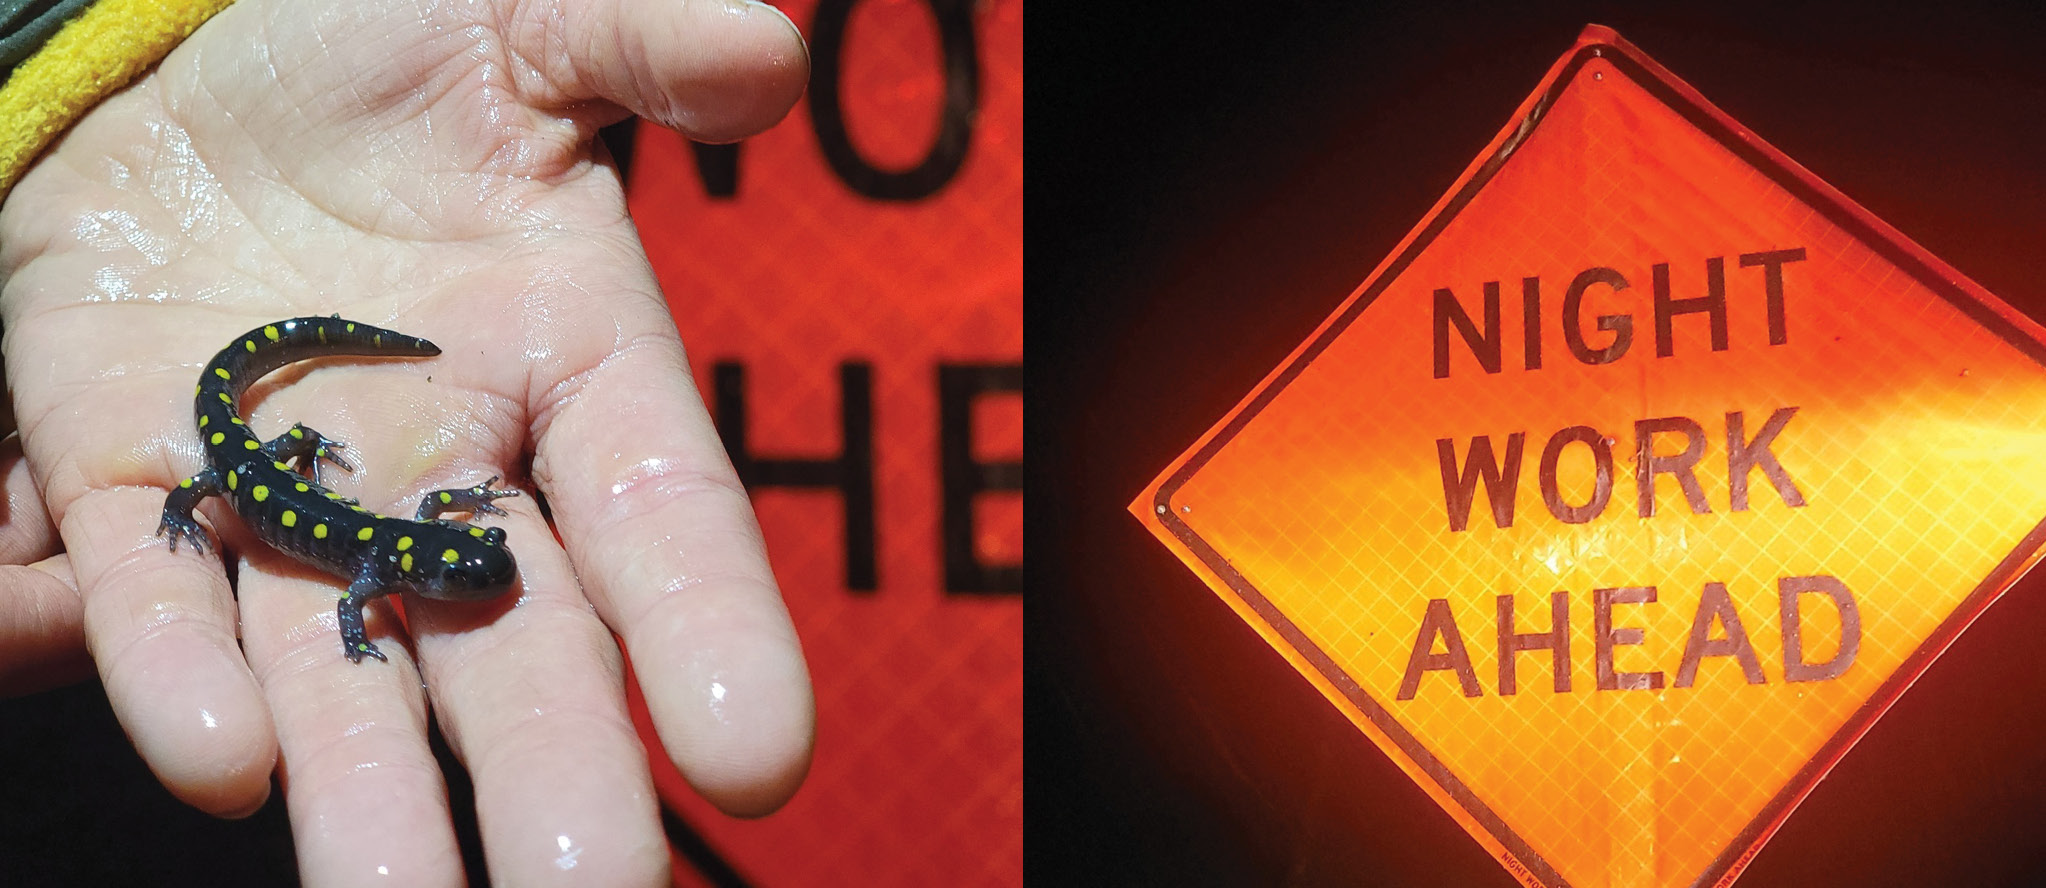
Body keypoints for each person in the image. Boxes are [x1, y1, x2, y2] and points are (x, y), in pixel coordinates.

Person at [0, 0, 817, 883]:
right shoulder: (375, 567)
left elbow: (399, 550)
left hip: (263, 470)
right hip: (233, 471)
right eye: (467, 562)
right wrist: (214, 521)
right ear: (423, 571)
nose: (478, 566)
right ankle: (209, 486)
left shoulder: (391, 554)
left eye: (473, 555)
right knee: (210, 487)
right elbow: (354, 606)